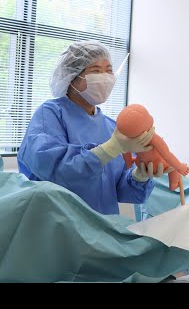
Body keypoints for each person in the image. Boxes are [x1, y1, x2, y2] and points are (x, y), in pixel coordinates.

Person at [17, 40, 166, 215]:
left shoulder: (112, 128)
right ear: (71, 77)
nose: (105, 77)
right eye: (95, 71)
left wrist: (139, 176)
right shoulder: (50, 115)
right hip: (59, 226)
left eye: (109, 70)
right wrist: (110, 148)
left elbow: (120, 190)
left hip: (102, 228)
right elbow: (55, 171)